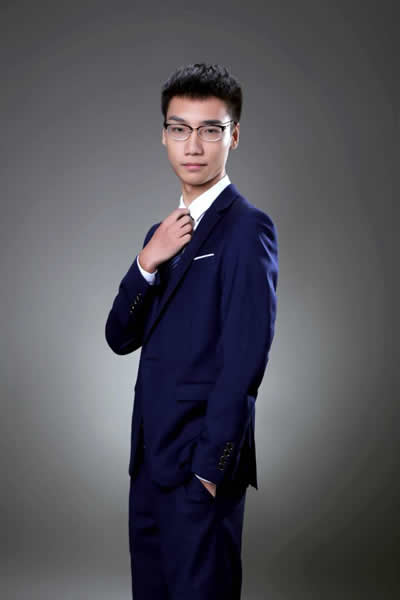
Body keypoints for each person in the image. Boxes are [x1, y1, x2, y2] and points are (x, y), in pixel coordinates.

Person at [105, 62, 279, 600]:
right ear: (164, 136)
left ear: (234, 136)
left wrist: (211, 469)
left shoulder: (247, 227)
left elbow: (246, 356)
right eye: (180, 129)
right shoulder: (159, 234)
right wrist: (146, 261)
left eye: (210, 129)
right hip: (149, 464)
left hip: (201, 468)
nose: (194, 145)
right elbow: (119, 337)